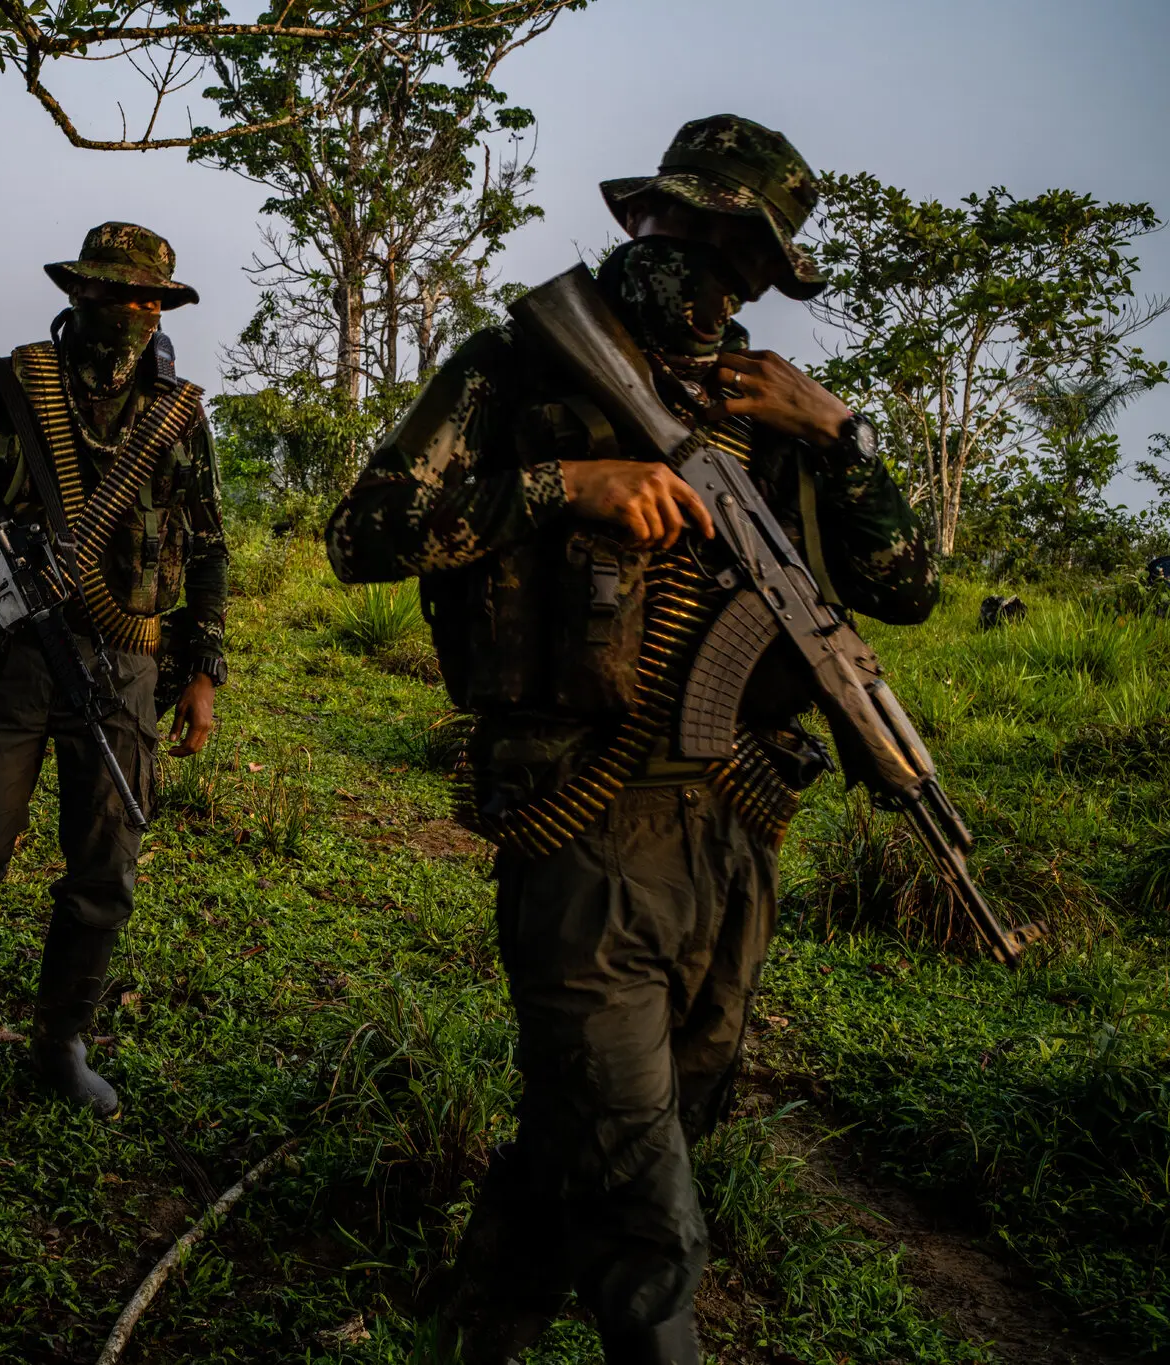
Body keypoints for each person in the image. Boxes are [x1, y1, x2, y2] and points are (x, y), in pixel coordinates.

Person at [325, 116, 940, 1364]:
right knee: (645, 1213)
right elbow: (364, 538)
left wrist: (840, 437)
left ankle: (469, 1332)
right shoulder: (513, 367)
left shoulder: (768, 411)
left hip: (738, 820)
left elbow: (904, 588)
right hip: (583, 823)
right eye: (689, 227)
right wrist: (561, 489)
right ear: (635, 217)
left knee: (635, 1125)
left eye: (742, 253)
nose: (709, 269)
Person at [0, 222, 228, 1117]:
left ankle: (61, 1039)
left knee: (107, 866)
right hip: (13, 648)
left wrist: (204, 668)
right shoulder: (4, 384)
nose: (133, 313)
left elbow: (211, 545)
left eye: (149, 299)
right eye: (115, 295)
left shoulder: (176, 416)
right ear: (79, 295)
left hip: (126, 661)